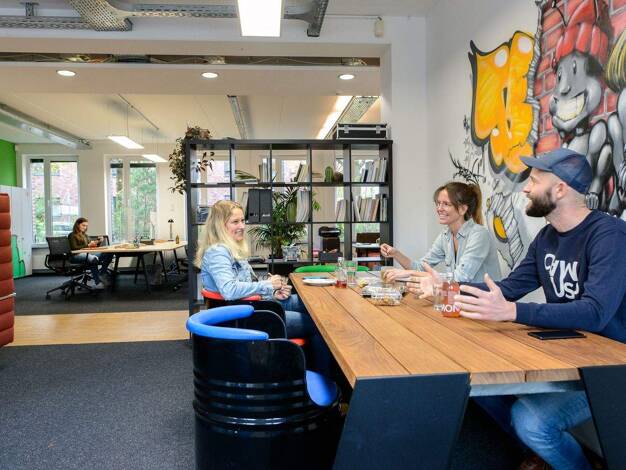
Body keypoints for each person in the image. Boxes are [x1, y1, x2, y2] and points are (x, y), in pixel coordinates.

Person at [408, 148, 626, 470]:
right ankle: (539, 454)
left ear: (560, 189)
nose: (525, 188)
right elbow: (508, 288)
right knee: (482, 382)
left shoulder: (610, 236)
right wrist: (445, 290)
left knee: (530, 421)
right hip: (567, 351)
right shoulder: (547, 237)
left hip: (611, 365)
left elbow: (595, 313)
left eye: (534, 181)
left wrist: (513, 312)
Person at [195, 200, 331, 373]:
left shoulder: (230, 248)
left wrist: (272, 293)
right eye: (235, 222)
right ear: (220, 226)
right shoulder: (218, 252)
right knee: (319, 322)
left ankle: (314, 371)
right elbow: (229, 290)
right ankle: (321, 377)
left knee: (313, 304)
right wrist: (266, 285)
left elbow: (245, 286)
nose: (242, 226)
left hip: (254, 307)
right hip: (244, 317)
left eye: (242, 221)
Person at [380, 181, 501, 283]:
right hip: (459, 299)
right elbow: (420, 268)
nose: (439, 209)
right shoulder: (445, 235)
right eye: (438, 203)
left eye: (446, 204)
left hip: (485, 302)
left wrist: (409, 274)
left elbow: (460, 278)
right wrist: (396, 254)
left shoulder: (479, 235)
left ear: (463, 209)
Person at [68, 217, 114, 287]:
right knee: (93, 259)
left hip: (87, 254)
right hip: (75, 256)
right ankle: (98, 281)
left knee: (109, 253)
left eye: (86, 226)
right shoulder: (72, 235)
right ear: (77, 225)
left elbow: (92, 246)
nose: (85, 227)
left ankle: (102, 273)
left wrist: (98, 242)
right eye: (83, 225)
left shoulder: (85, 235)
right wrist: (88, 245)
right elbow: (74, 248)